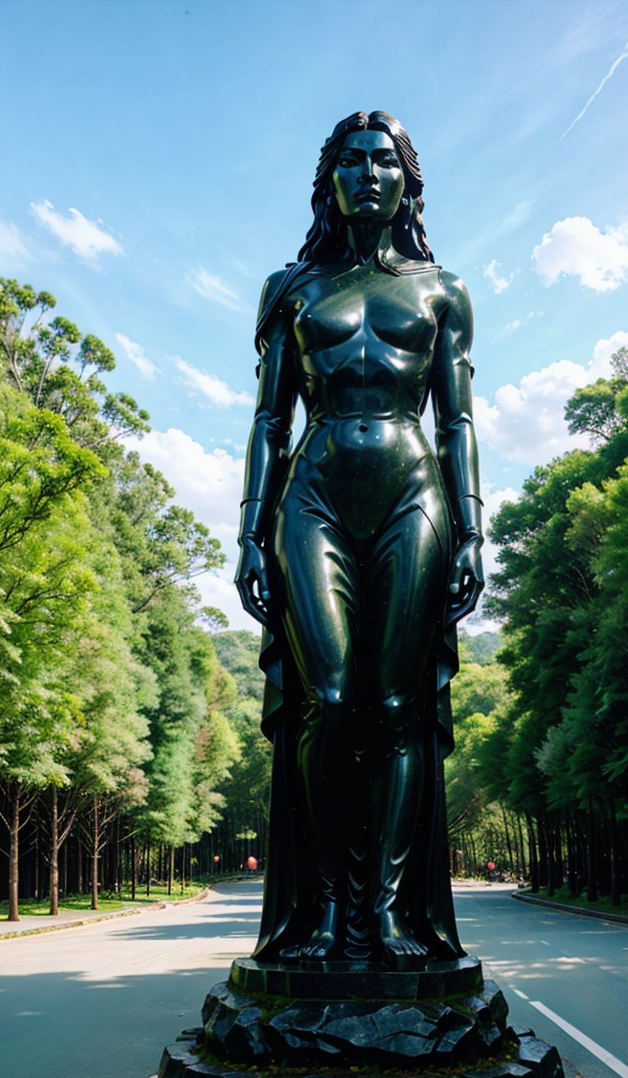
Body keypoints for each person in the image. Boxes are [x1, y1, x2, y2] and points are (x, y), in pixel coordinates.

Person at [235, 111, 483, 968]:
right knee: (329, 700)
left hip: (413, 492)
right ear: (329, 179)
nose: (369, 173)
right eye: (352, 160)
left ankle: (383, 913)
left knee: (393, 705)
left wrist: (474, 530)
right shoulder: (292, 287)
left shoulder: (442, 291)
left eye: (384, 161)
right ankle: (327, 909)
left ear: (407, 180)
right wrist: (249, 532)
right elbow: (270, 420)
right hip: (315, 494)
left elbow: (457, 424)